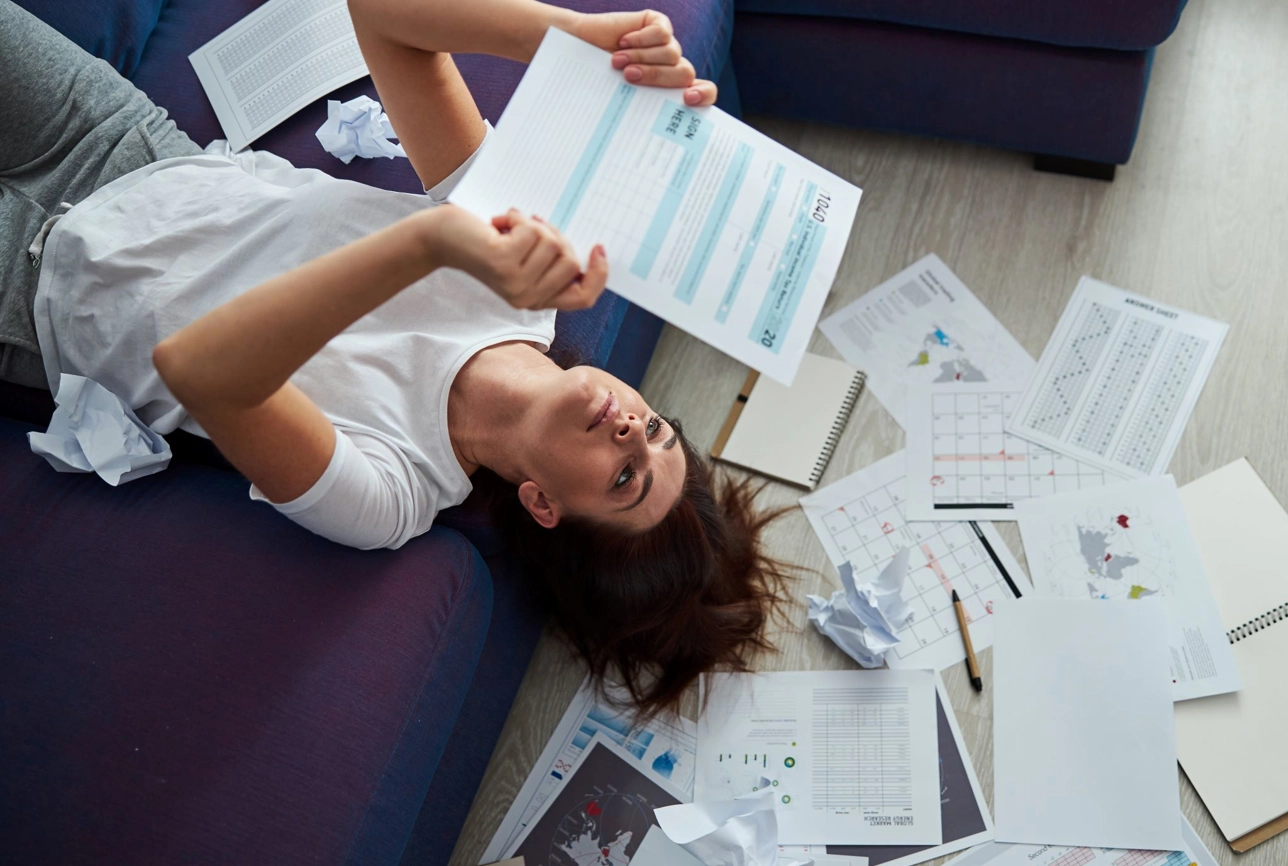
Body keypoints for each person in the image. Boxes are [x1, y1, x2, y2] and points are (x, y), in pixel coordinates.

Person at [0, 0, 791, 713]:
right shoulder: (522, 291)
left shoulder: (388, 498)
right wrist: (573, 39)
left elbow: (202, 370)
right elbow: (382, 17)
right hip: (125, 143)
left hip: (31, 297)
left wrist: (431, 240)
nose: (629, 430)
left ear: (543, 507)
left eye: (626, 480)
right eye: (655, 431)